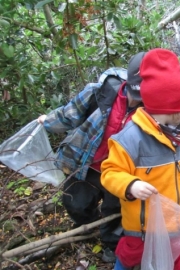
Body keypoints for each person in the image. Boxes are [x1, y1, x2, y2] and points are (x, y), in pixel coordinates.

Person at [100, 48, 180, 270]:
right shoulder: (130, 139)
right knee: (129, 259)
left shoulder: (176, 134)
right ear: (172, 110)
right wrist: (131, 185)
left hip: (179, 225)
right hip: (143, 231)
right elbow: (110, 173)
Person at [37, 51, 146, 263]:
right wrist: (47, 121)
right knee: (75, 203)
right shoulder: (100, 92)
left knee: (115, 211)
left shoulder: (152, 110)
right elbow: (70, 114)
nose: (136, 101)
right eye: (134, 93)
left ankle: (111, 243)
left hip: (120, 171)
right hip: (86, 163)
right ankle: (89, 225)